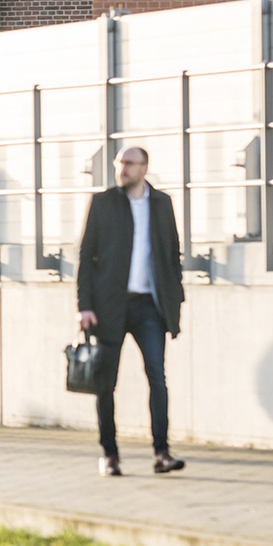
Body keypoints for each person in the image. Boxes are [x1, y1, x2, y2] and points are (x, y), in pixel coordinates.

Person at [76, 146, 185, 475]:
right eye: (120, 163)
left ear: (144, 168)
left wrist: (175, 301)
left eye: (129, 164)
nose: (122, 169)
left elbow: (172, 255)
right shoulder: (103, 203)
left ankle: (162, 453)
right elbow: (86, 257)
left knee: (157, 377)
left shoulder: (162, 204)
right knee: (106, 383)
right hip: (110, 307)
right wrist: (84, 306)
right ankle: (109, 454)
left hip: (149, 306)